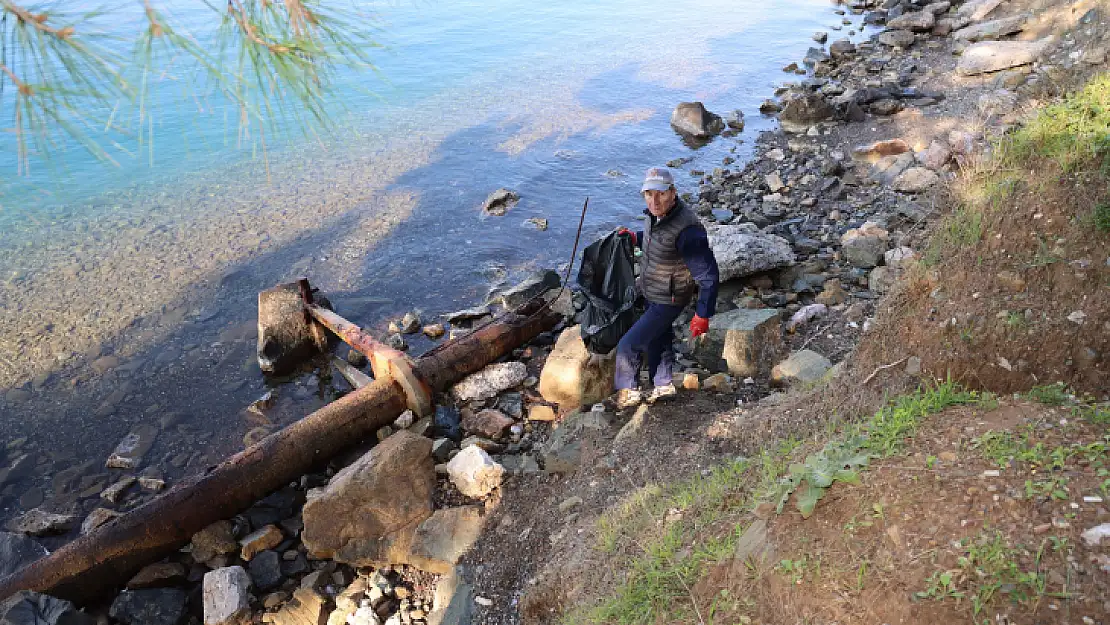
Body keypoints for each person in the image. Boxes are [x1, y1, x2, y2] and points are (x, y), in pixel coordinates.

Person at [613, 166, 719, 409]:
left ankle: (627, 392)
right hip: (653, 289)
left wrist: (703, 314)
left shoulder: (688, 231)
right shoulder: (655, 216)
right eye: (649, 194)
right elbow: (658, 241)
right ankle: (663, 384)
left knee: (628, 345)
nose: (654, 200)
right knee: (658, 339)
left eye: (660, 193)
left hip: (669, 297)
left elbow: (708, 275)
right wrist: (634, 237)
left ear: (673, 192)